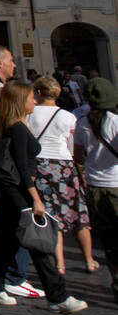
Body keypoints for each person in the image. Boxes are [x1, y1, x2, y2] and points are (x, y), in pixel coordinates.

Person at [0, 80, 87, 313]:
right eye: (30, 97)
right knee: (37, 242)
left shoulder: (13, 126)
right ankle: (57, 295)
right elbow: (23, 167)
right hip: (19, 191)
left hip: (11, 191)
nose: (34, 100)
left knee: (7, 241)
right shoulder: (18, 128)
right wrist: (35, 198)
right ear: (20, 101)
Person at [28, 76, 99, 275]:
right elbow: (72, 144)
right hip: (63, 165)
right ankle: (89, 259)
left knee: (51, 214)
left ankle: (59, 263)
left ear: (38, 92)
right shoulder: (67, 116)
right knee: (78, 213)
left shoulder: (30, 114)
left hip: (40, 164)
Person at [74, 77, 118, 306]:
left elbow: (79, 156)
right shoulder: (116, 122)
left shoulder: (82, 123)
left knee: (110, 242)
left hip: (95, 187)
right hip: (116, 185)